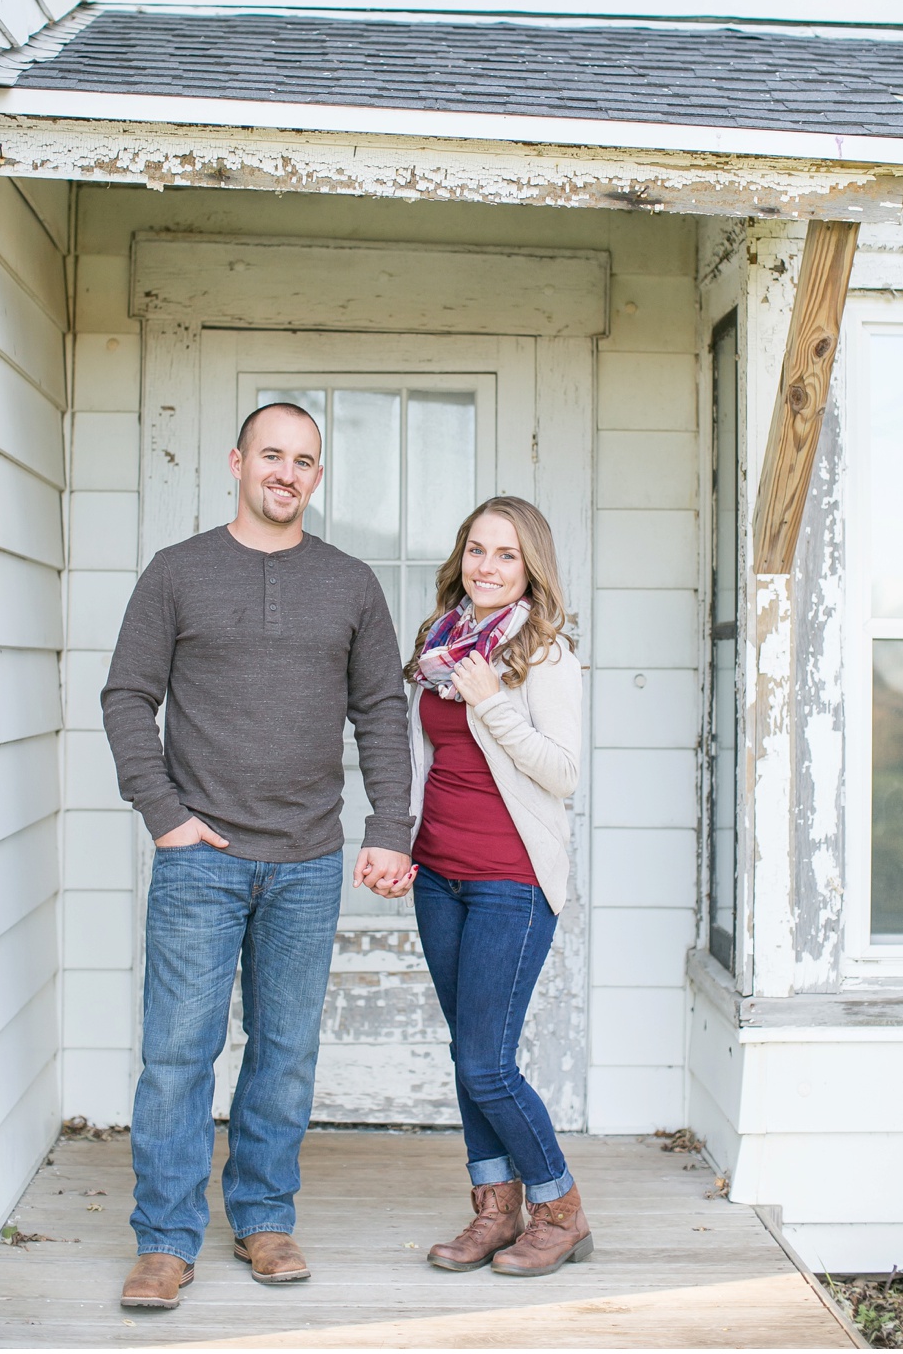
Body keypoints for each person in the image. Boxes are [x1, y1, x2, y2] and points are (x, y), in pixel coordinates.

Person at [101, 402, 415, 1311]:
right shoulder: (177, 574)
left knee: (285, 1051)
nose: (287, 473)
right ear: (237, 460)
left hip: (310, 858)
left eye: (304, 461)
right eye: (271, 455)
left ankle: (265, 1218)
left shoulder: (351, 583)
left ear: (317, 476)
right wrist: (163, 812)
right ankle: (164, 1239)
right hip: (203, 853)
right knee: (177, 1054)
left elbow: (383, 714)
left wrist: (388, 825)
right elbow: (127, 697)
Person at [368, 496, 589, 1276]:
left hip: (512, 882)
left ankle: (559, 1207)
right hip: (441, 877)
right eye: (475, 549)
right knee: (470, 1050)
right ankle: (493, 1209)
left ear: (531, 567)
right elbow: (420, 759)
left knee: (487, 1063)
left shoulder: (545, 656)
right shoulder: (438, 645)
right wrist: (397, 843)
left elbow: (561, 773)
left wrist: (493, 701)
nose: (486, 567)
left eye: (505, 554)